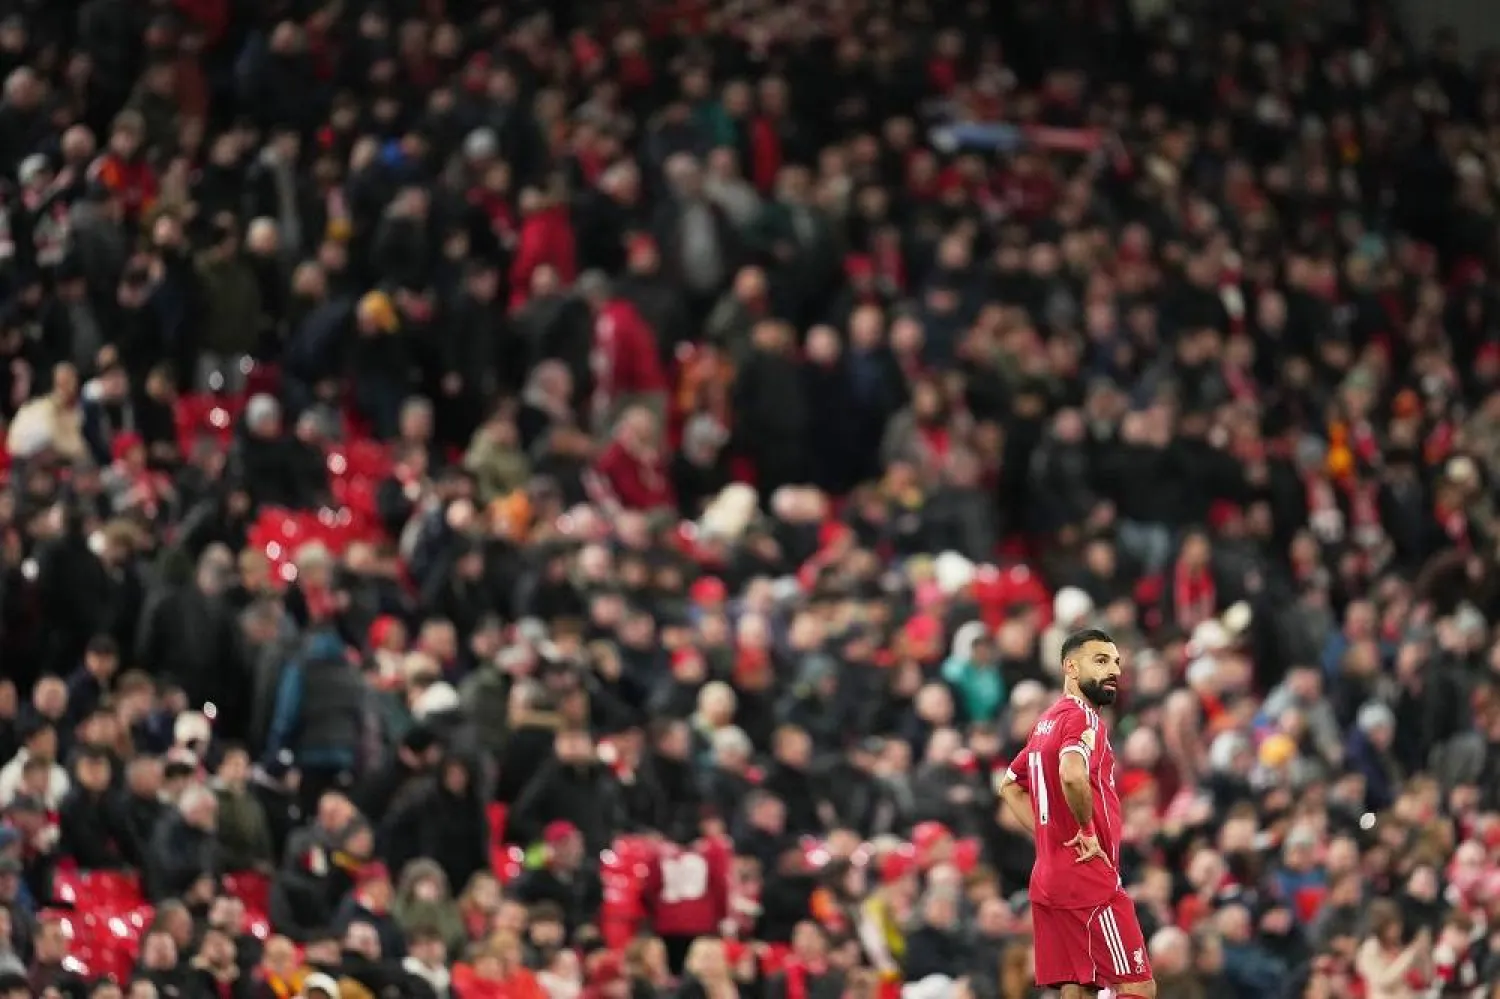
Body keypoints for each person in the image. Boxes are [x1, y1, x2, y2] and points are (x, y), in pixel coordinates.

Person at [997, 628, 1156, 999]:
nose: (1113, 670)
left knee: (1079, 987)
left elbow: (1010, 786)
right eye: (1100, 661)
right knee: (1138, 986)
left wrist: (1049, 836)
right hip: (1086, 876)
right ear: (1070, 667)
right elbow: (1072, 773)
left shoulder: (1045, 723)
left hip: (1049, 875)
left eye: (1116, 662)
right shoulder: (1084, 719)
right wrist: (1085, 830)